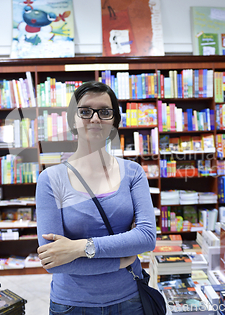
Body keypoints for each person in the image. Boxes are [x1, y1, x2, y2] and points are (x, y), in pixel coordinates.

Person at [36, 81, 157, 315]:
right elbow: (52, 260)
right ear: (73, 120)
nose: (95, 118)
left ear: (114, 121)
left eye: (104, 111)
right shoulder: (50, 179)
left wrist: (80, 247)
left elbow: (145, 237)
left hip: (130, 299)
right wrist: (120, 260)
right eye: (85, 111)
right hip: (71, 304)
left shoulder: (133, 172)